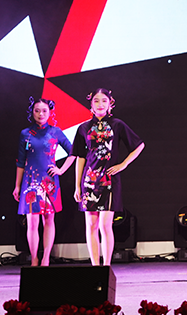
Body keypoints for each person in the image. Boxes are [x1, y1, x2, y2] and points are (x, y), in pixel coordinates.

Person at [73, 88, 145, 266]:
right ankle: (95, 266)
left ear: (110, 104)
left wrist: (123, 164)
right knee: (91, 225)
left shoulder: (117, 124)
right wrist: (77, 186)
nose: (100, 104)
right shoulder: (83, 128)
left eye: (104, 100)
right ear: (91, 104)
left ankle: (106, 266)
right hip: (89, 181)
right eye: (96, 101)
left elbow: (139, 145)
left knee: (105, 225)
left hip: (109, 180)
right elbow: (80, 158)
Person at [13, 97, 76, 266]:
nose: (41, 114)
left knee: (49, 220)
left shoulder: (55, 132)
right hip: (30, 181)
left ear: (50, 113)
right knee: (32, 222)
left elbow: (73, 152)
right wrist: (17, 185)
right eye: (37, 111)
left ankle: (46, 258)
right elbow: (20, 161)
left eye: (44, 111)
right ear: (32, 113)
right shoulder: (25, 133)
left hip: (49, 181)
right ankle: (34, 258)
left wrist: (61, 170)